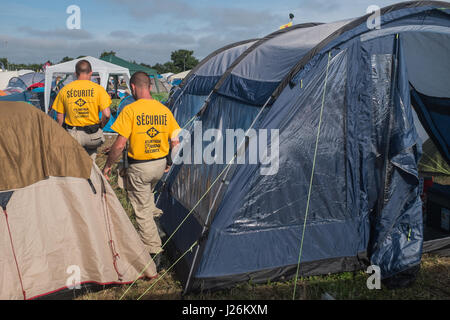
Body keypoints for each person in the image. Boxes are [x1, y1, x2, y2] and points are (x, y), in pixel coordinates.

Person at [102, 71, 180, 262]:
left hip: (140, 167)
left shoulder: (130, 110)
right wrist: (169, 162)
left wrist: (108, 165)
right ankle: (158, 227)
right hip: (159, 164)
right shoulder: (164, 110)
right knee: (147, 196)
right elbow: (175, 141)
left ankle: (154, 253)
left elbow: (120, 145)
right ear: (151, 87)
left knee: (141, 209)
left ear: (133, 88)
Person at [52, 59, 111, 160]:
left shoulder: (65, 90)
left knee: (73, 165)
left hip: (73, 134)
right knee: (90, 164)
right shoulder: (98, 89)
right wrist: (101, 126)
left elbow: (59, 118)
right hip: (93, 135)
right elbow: (107, 114)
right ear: (91, 73)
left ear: (75, 73)